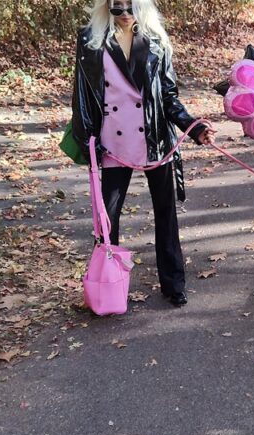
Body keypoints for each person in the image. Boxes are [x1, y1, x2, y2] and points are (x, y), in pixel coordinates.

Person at [71, 0, 215, 307]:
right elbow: (82, 94)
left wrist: (194, 127)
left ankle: (174, 284)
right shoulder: (90, 39)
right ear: (107, 7)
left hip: (154, 139)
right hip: (112, 142)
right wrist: (87, 140)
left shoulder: (157, 40)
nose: (124, 15)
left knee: (166, 213)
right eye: (117, 8)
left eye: (131, 8)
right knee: (107, 220)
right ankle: (107, 288)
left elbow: (169, 96)